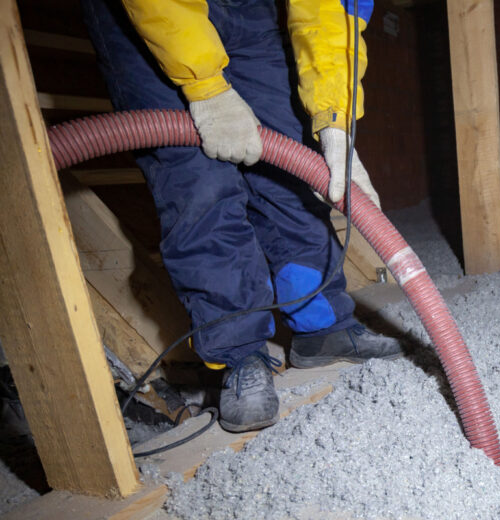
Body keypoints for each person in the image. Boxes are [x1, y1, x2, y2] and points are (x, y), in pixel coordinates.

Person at [80, 0, 402, 433]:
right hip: (152, 18)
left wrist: (335, 121)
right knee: (198, 186)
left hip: (256, 11)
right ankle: (240, 354)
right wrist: (205, 87)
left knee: (293, 170)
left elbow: (331, 16)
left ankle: (321, 325)